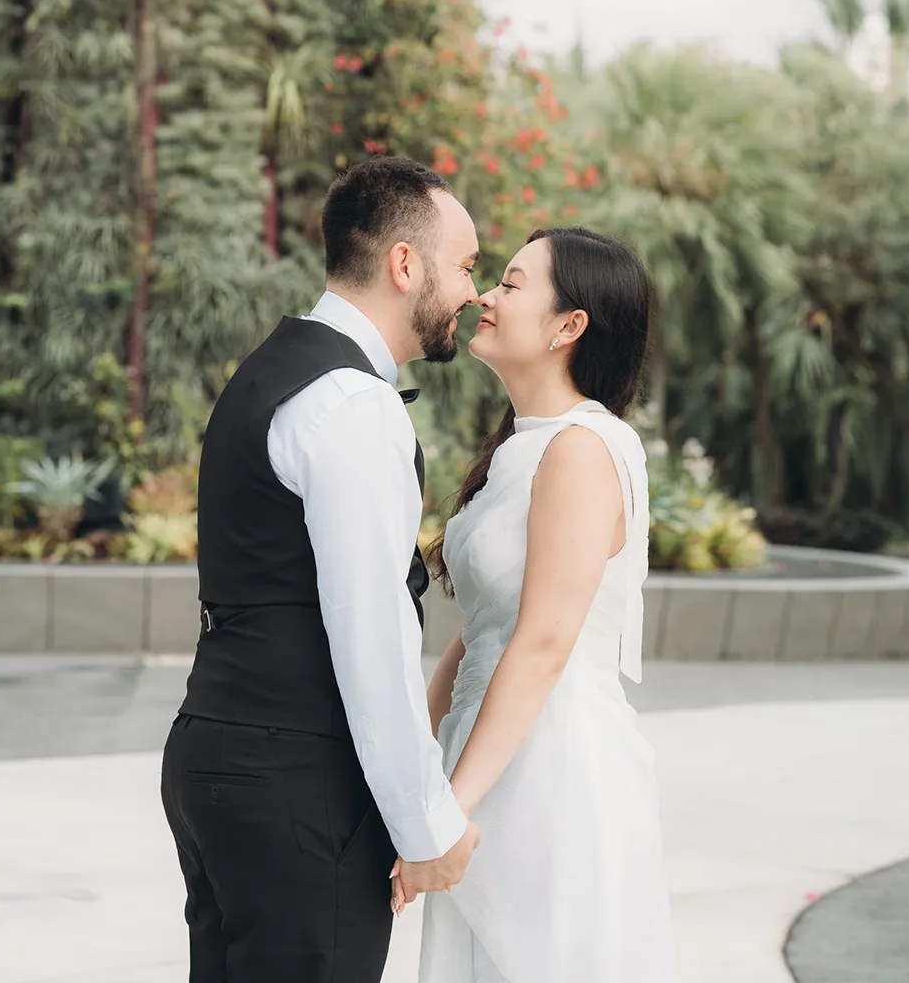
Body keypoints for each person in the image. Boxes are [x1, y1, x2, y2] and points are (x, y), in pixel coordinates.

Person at [160, 156, 483, 983]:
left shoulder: (273, 372)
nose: (473, 293)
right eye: (467, 266)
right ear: (404, 265)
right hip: (297, 781)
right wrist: (426, 825)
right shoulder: (351, 404)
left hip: (219, 754)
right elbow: (369, 630)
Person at [398, 228, 677, 983]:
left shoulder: (584, 447)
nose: (486, 295)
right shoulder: (521, 447)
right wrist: (415, 764)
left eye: (513, 285)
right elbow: (485, 629)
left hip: (554, 764)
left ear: (569, 326)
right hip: (490, 751)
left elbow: (546, 640)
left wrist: (449, 808)